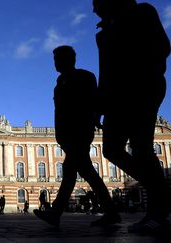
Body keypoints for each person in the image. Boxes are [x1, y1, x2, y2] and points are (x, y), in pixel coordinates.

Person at [93, 0, 171, 233]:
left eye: (98, 3)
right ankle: (160, 191)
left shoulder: (142, 12)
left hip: (144, 87)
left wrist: (143, 72)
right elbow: (104, 71)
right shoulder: (103, 33)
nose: (95, 8)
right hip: (117, 95)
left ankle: (157, 211)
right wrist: (100, 105)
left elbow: (163, 48)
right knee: (111, 149)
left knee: (141, 146)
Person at [34, 45, 120, 227]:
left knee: (72, 171)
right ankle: (110, 212)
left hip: (80, 131)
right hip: (67, 135)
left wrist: (95, 119)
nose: (55, 63)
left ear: (69, 59)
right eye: (54, 59)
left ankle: (56, 212)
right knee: (83, 172)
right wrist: (60, 136)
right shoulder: (60, 82)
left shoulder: (85, 77)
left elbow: (95, 101)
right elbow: (59, 112)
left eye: (58, 59)